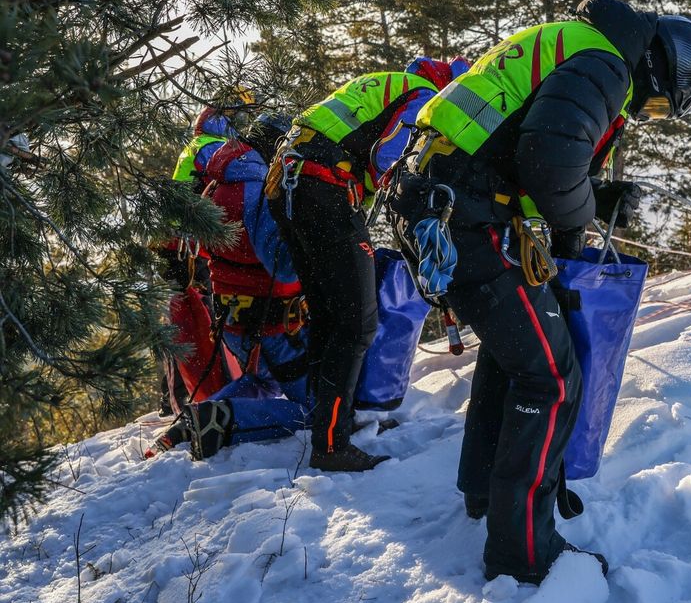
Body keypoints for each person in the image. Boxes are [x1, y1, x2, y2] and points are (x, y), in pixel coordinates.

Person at [391, 0, 691, 585]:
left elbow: (522, 151)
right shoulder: (607, 62)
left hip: (442, 200)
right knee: (551, 374)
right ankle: (524, 551)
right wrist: (577, 218)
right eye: (660, 103)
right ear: (660, 68)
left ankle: (487, 491)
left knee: (518, 351)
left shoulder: (574, 42)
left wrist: (591, 197)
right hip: (459, 216)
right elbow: (547, 162)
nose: (647, 112)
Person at [266, 57, 466, 472]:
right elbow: (389, 160)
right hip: (325, 190)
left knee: (328, 316)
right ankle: (332, 443)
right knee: (357, 323)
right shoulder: (423, 97)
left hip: (289, 187)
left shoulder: (385, 84)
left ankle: (327, 425)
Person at [148, 114, 312, 459]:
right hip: (275, 325)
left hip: (238, 321)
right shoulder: (254, 185)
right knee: (323, 409)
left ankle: (188, 423)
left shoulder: (216, 180)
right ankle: (217, 419)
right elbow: (282, 264)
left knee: (263, 383)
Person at [156, 90, 257, 414]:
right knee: (202, 316)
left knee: (185, 318)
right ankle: (207, 392)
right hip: (186, 246)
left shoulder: (198, 145)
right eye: (240, 117)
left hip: (178, 243)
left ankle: (178, 398)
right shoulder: (213, 148)